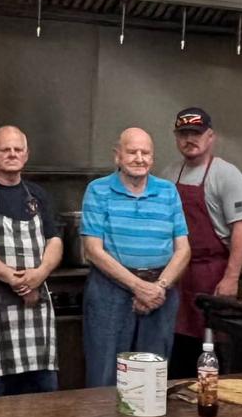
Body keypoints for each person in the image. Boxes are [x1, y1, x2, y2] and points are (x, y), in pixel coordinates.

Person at [81, 127, 191, 385]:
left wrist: (158, 287)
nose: (139, 158)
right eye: (132, 152)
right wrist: (138, 287)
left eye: (145, 153)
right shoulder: (98, 190)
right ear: (117, 156)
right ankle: (101, 415)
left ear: (152, 157)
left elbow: (183, 249)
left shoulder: (168, 191)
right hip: (110, 292)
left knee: (151, 378)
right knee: (103, 375)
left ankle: (147, 416)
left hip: (160, 294)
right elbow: (93, 250)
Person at [0, 126, 63, 396]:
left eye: (18, 149)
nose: (12, 154)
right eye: (5, 149)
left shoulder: (37, 194)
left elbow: (54, 240)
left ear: (26, 155)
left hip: (35, 302)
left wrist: (40, 273)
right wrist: (14, 279)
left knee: (42, 386)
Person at [161, 107, 242, 379]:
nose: (189, 139)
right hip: (177, 273)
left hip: (212, 274)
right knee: (178, 345)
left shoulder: (227, 174)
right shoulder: (169, 174)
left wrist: (231, 278)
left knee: (213, 347)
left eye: (196, 134)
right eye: (183, 134)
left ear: (210, 136)